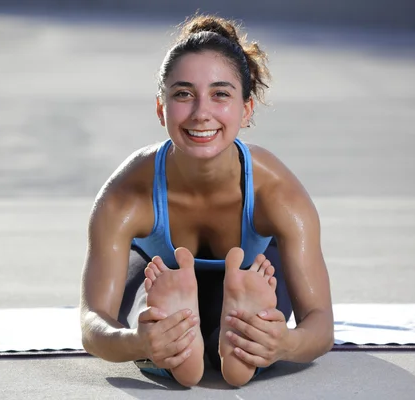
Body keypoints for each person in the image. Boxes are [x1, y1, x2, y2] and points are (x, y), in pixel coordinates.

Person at [79, 14, 334, 388]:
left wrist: (282, 343)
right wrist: (136, 341)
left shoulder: (278, 194)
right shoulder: (125, 197)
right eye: (183, 94)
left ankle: (234, 346)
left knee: (247, 334)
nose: (201, 113)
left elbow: (321, 323)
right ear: (160, 108)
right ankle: (172, 341)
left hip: (251, 270)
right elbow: (93, 321)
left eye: (220, 94)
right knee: (141, 323)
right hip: (159, 269)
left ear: (246, 109)